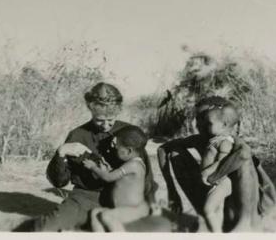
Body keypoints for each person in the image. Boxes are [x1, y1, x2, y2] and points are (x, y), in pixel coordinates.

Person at [19, 82, 136, 231]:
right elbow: (59, 182)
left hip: (121, 199)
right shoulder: (77, 135)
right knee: (47, 228)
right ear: (90, 108)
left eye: (111, 120)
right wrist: (61, 153)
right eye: (100, 120)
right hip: (84, 197)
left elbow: (144, 178)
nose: (105, 126)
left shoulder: (130, 132)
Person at [157, 96, 262, 232]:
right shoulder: (200, 139)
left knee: (243, 159)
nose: (198, 124)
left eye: (204, 118)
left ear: (222, 121)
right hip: (212, 195)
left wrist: (213, 176)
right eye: (198, 118)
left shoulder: (230, 140)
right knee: (175, 152)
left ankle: (244, 223)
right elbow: (162, 148)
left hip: (236, 203)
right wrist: (172, 190)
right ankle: (207, 219)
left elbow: (244, 154)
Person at [84, 126, 157, 232]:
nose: (114, 148)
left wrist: (93, 167)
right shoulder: (131, 163)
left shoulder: (134, 165)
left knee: (106, 216)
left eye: (117, 147)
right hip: (125, 209)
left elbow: (108, 178)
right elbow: (115, 175)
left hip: (134, 209)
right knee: (95, 213)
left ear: (128, 151)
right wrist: (107, 169)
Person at [198, 102, 240, 232]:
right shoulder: (217, 139)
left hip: (222, 181)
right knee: (217, 209)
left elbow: (223, 161)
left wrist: (206, 172)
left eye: (210, 123)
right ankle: (218, 230)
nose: (206, 126)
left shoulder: (225, 142)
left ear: (224, 125)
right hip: (216, 180)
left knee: (208, 209)